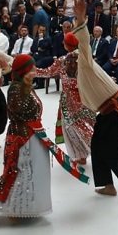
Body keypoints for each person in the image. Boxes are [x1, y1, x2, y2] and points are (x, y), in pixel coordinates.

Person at [0, 54, 89, 218]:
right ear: (24, 71)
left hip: (33, 135)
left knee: (35, 173)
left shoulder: (26, 86)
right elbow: (19, 111)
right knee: (22, 171)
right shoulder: (15, 88)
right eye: (32, 69)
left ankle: (30, 207)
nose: (35, 71)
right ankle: (15, 209)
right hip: (23, 138)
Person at [73, 0, 118, 197]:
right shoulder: (78, 73)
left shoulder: (84, 61)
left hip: (116, 108)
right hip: (106, 111)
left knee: (109, 149)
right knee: (96, 145)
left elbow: (84, 42)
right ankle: (107, 185)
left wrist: (79, 19)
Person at [34, 32, 95, 164]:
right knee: (87, 125)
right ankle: (90, 152)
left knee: (71, 128)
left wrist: (33, 71)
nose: (62, 44)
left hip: (69, 101)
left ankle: (85, 154)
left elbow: (48, 72)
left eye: (64, 42)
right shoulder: (85, 58)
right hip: (86, 98)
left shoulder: (62, 60)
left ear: (67, 45)